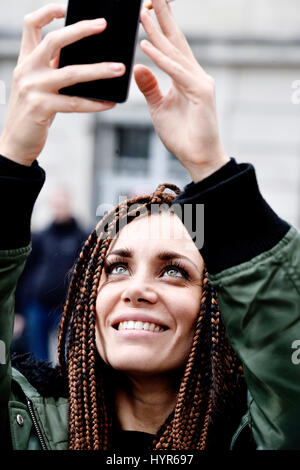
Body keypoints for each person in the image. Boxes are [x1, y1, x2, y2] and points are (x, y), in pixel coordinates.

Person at [0, 0, 299, 451]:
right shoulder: (23, 422)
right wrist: (10, 164)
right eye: (117, 267)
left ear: (218, 308)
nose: (135, 289)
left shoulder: (262, 435)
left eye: (174, 270)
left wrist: (211, 168)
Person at [15, 187, 88, 361]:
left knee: (69, 356)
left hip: (68, 307)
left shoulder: (82, 236)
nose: (59, 209)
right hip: (38, 306)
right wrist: (18, 311)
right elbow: (25, 273)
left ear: (70, 205)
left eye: (62, 205)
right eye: (56, 206)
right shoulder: (41, 237)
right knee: (38, 357)